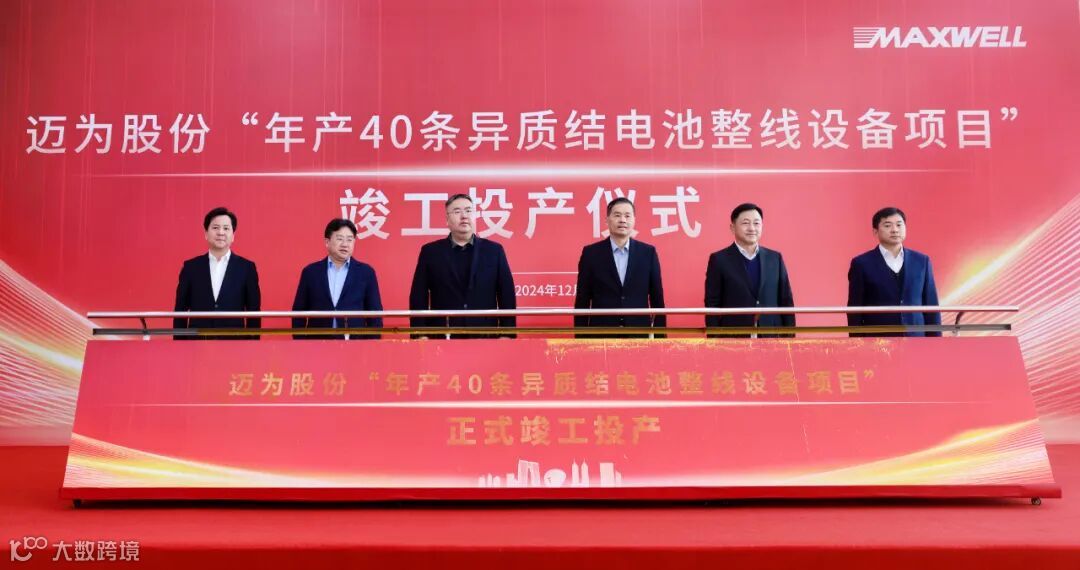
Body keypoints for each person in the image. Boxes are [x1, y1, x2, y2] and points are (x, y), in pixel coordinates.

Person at [408, 194, 516, 338]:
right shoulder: (431, 252)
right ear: (447, 220)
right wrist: (419, 334)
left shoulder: (494, 251)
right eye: (457, 211)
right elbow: (418, 296)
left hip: (485, 335)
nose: (464, 216)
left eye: (468, 211)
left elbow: (506, 295)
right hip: (442, 336)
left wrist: (507, 334)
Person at [573, 197, 665, 337]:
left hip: (638, 333)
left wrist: (661, 339)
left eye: (627, 216)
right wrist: (581, 339)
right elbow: (582, 300)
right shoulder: (591, 253)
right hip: (601, 334)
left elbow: (657, 299)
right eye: (617, 215)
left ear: (634, 220)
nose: (622, 220)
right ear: (607, 220)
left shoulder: (648, 253)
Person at [847, 207, 941, 337]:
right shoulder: (861, 263)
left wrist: (936, 342)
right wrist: (857, 342)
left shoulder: (921, 261)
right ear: (875, 232)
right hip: (878, 340)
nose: (895, 230)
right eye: (887, 225)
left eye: (899, 225)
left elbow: (931, 306)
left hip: (916, 339)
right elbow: (854, 309)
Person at [703, 203, 795, 337]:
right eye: (745, 223)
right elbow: (712, 304)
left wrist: (790, 338)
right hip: (733, 337)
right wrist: (715, 339)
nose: (752, 228)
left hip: (772, 336)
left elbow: (786, 301)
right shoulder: (719, 260)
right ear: (732, 227)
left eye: (756, 223)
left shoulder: (775, 258)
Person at [173, 207, 261, 339]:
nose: (220, 232)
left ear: (233, 235)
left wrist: (252, 345)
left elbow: (254, 312)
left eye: (226, 228)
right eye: (215, 228)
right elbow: (180, 311)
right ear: (206, 233)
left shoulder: (247, 268)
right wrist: (179, 345)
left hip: (235, 343)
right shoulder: (191, 267)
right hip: (196, 343)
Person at [291, 219, 383, 339]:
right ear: (327, 242)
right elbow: (298, 313)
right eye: (340, 239)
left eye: (349, 239)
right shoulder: (310, 272)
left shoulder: (366, 273)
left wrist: (372, 345)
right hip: (317, 344)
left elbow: (375, 315)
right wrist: (300, 343)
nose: (345, 244)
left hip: (355, 344)